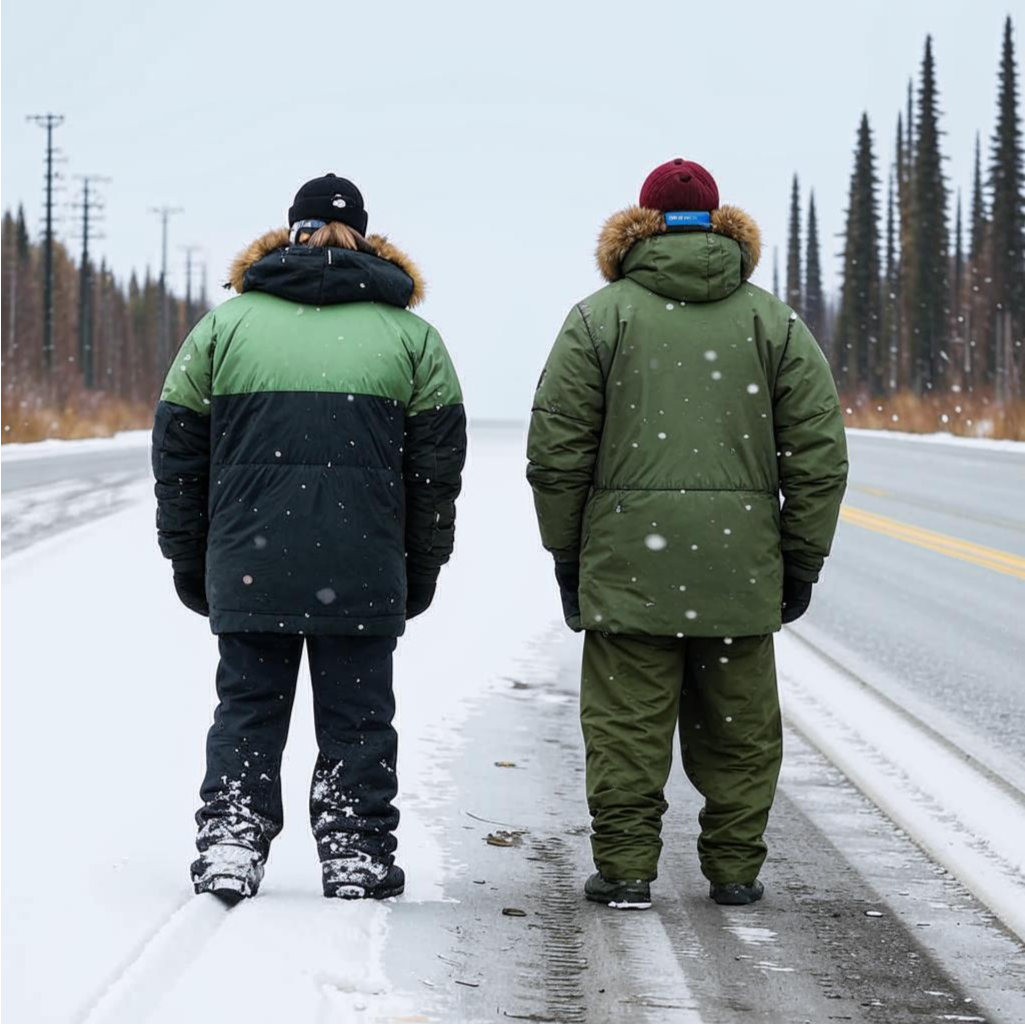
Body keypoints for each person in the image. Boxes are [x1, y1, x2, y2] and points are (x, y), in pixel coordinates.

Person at [526, 159, 848, 909]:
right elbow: (819, 455)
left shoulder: (598, 319)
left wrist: (568, 552)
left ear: (637, 228)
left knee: (625, 726)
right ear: (722, 227)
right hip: (738, 562)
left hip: (628, 562)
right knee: (740, 727)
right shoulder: (772, 323)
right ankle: (734, 870)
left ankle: (626, 870)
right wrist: (800, 557)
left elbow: (556, 453)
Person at [152, 173, 466, 904]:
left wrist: (189, 556)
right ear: (366, 237)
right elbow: (436, 473)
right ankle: (356, 850)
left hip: (249, 560)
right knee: (358, 715)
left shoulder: (225, 327)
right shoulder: (413, 338)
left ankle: (232, 840)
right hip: (363, 561)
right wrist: (421, 566)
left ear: (290, 231)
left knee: (247, 708)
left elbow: (177, 458)